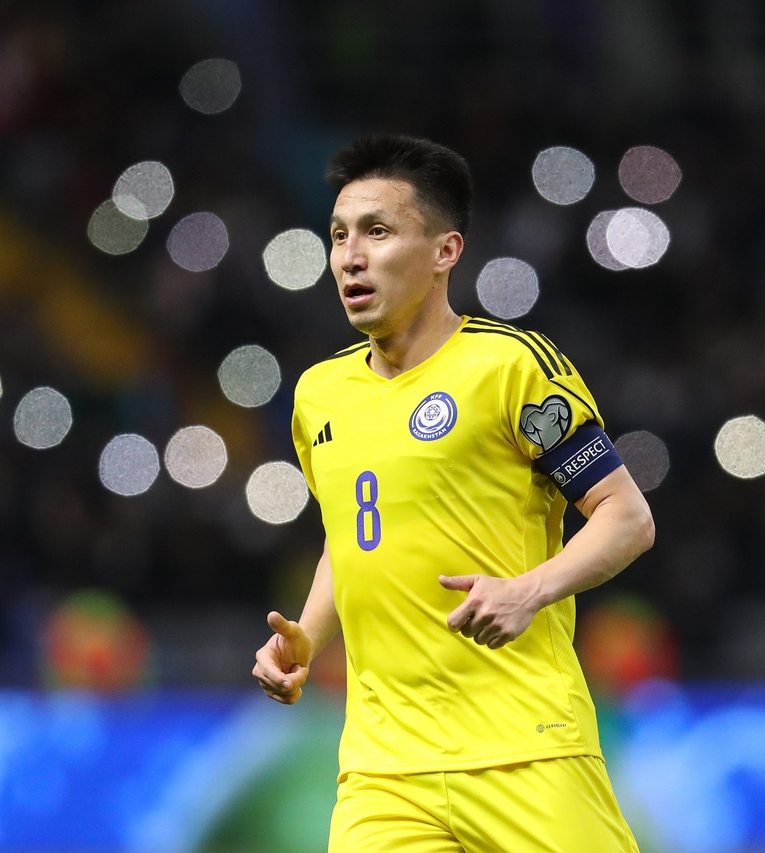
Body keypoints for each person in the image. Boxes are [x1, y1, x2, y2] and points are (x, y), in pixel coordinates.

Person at [252, 134, 654, 852]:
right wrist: (308, 634)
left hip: (525, 747)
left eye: (378, 231)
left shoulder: (512, 368)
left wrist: (528, 590)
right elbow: (353, 534)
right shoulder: (318, 394)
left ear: (445, 251)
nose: (350, 256)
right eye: (339, 235)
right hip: (383, 771)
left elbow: (626, 516)